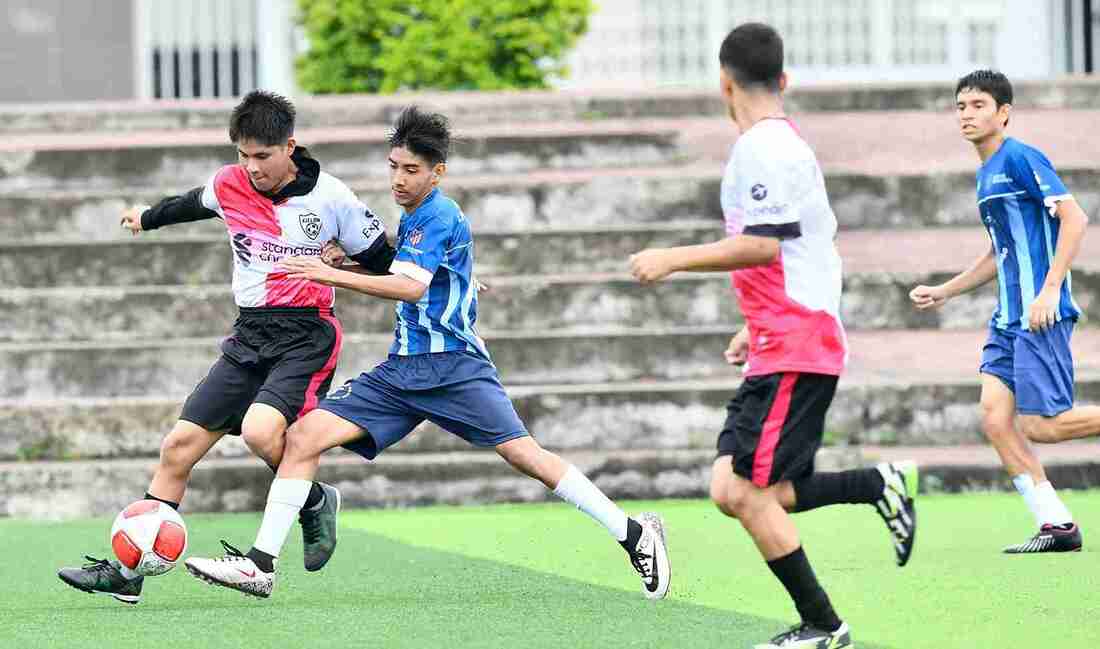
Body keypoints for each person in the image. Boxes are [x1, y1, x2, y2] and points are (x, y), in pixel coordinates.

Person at [182, 106, 671, 601]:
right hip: (402, 371)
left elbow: (410, 288)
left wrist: (328, 273)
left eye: (411, 170)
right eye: (394, 166)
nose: (398, 178)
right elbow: (408, 267)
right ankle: (261, 565)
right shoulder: (416, 216)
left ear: (437, 172)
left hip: (453, 367)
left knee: (526, 456)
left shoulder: (438, 213)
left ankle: (633, 535)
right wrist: (346, 259)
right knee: (304, 437)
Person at [628, 23, 916, 649]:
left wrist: (672, 257)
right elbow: (806, 252)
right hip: (781, 337)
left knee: (746, 493)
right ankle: (876, 485)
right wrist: (751, 322)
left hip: (796, 343)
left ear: (723, 83)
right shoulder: (780, 148)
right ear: (784, 80)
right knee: (732, 489)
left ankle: (824, 625)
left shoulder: (765, 150)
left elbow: (762, 243)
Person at [57, 90, 395, 604]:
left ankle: (309, 501)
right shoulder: (230, 183)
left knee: (263, 433)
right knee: (177, 448)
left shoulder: (332, 198)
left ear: (290, 147)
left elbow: (383, 261)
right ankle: (129, 577)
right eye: (243, 155)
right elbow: (193, 202)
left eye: (263, 156)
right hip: (249, 336)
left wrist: (340, 266)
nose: (252, 167)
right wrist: (147, 217)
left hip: (306, 335)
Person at [910, 69, 1096, 553]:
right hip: (1007, 320)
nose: (967, 114)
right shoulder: (984, 173)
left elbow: (1075, 218)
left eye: (978, 105)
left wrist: (1050, 290)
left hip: (1039, 314)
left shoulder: (1020, 157)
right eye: (960, 106)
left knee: (1040, 426)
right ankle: (1057, 526)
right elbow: (999, 252)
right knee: (995, 419)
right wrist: (947, 290)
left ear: (1003, 113)